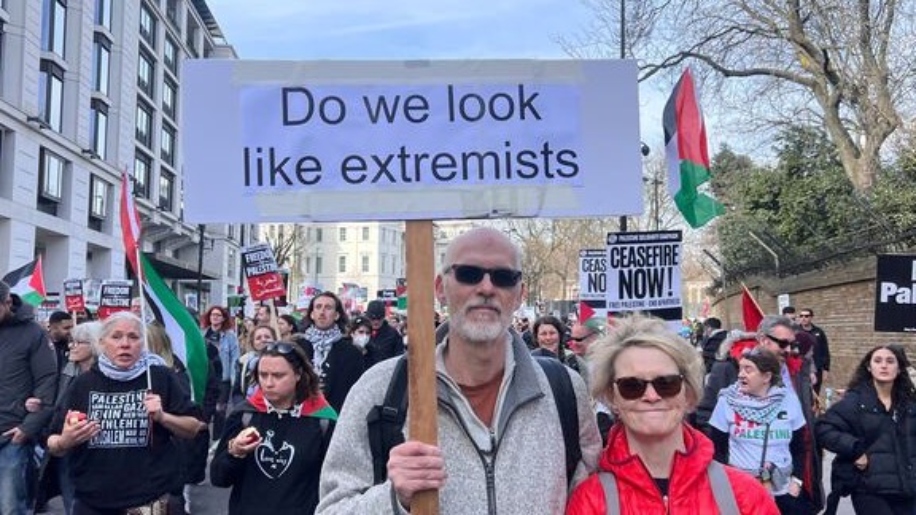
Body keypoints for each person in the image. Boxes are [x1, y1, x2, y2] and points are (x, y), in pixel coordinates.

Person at [317, 227, 601, 514]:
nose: (487, 288)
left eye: (503, 278)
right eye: (469, 273)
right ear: (440, 287)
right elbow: (331, 509)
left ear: (519, 294)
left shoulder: (563, 389)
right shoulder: (380, 389)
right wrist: (395, 499)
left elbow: (589, 500)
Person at [566, 313, 778, 514]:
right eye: (632, 385)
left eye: (666, 383)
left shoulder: (744, 495)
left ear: (688, 391)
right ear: (613, 397)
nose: (651, 395)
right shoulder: (591, 500)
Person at [45, 311, 203, 514]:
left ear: (143, 343)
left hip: (149, 502)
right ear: (102, 343)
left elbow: (193, 427)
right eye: (116, 336)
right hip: (93, 503)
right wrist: (65, 440)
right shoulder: (83, 384)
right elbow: (52, 442)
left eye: (134, 337)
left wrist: (164, 417)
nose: (125, 344)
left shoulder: (160, 377)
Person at [211, 342, 337, 514]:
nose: (268, 383)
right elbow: (219, 478)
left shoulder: (322, 421)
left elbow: (335, 483)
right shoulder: (244, 415)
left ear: (298, 374)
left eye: (278, 376)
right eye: (263, 375)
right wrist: (235, 453)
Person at [816, 345, 916, 515]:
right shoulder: (856, 401)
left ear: (899, 369)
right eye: (878, 361)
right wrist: (854, 449)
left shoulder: (909, 404)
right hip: (869, 488)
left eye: (890, 361)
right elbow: (824, 428)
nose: (884, 365)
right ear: (869, 367)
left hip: (907, 487)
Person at [709, 349, 808, 513]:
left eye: (748, 370)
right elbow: (717, 451)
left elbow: (800, 447)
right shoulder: (726, 402)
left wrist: (796, 482)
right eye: (740, 369)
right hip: (742, 489)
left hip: (783, 490)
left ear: (766, 377)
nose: (741, 375)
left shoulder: (788, 400)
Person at [0, 280, 57, 515]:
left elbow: (47, 380)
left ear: (7, 303)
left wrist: (28, 428)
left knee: (11, 506)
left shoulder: (33, 333)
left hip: (11, 434)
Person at [33, 321, 101, 515]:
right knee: (71, 503)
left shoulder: (103, 376)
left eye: (79, 342)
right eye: (72, 341)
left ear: (95, 344)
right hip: (63, 447)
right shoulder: (67, 371)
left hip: (91, 450)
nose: (72, 346)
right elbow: (56, 404)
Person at [299, 292, 365, 414]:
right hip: (301, 414)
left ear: (336, 315)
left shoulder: (351, 352)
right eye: (318, 307)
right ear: (312, 314)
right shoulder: (298, 347)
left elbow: (355, 391)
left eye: (328, 308)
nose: (322, 312)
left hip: (336, 415)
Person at [202, 305, 241, 437]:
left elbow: (235, 357)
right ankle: (203, 434)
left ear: (224, 318)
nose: (215, 317)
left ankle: (217, 438)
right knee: (205, 408)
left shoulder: (230, 336)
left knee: (220, 410)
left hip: (223, 379)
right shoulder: (203, 333)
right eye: (213, 315)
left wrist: (234, 379)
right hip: (206, 377)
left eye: (218, 315)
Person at [231, 325, 276, 409]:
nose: (263, 340)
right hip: (249, 408)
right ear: (253, 343)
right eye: (258, 338)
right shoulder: (243, 362)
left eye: (267, 337)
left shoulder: (283, 361)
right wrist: (242, 408)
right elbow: (237, 392)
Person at [363, 300, 405, 369]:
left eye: (379, 318)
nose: (376, 322)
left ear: (383, 317)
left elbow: (399, 357)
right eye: (372, 318)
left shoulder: (393, 334)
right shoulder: (362, 332)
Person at [797, 309, 829, 394]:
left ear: (811, 317)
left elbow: (825, 350)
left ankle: (815, 407)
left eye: (806, 316)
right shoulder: (796, 331)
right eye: (801, 316)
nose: (803, 318)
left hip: (817, 368)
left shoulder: (819, 332)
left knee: (815, 392)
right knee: (804, 392)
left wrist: (826, 369)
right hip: (802, 367)